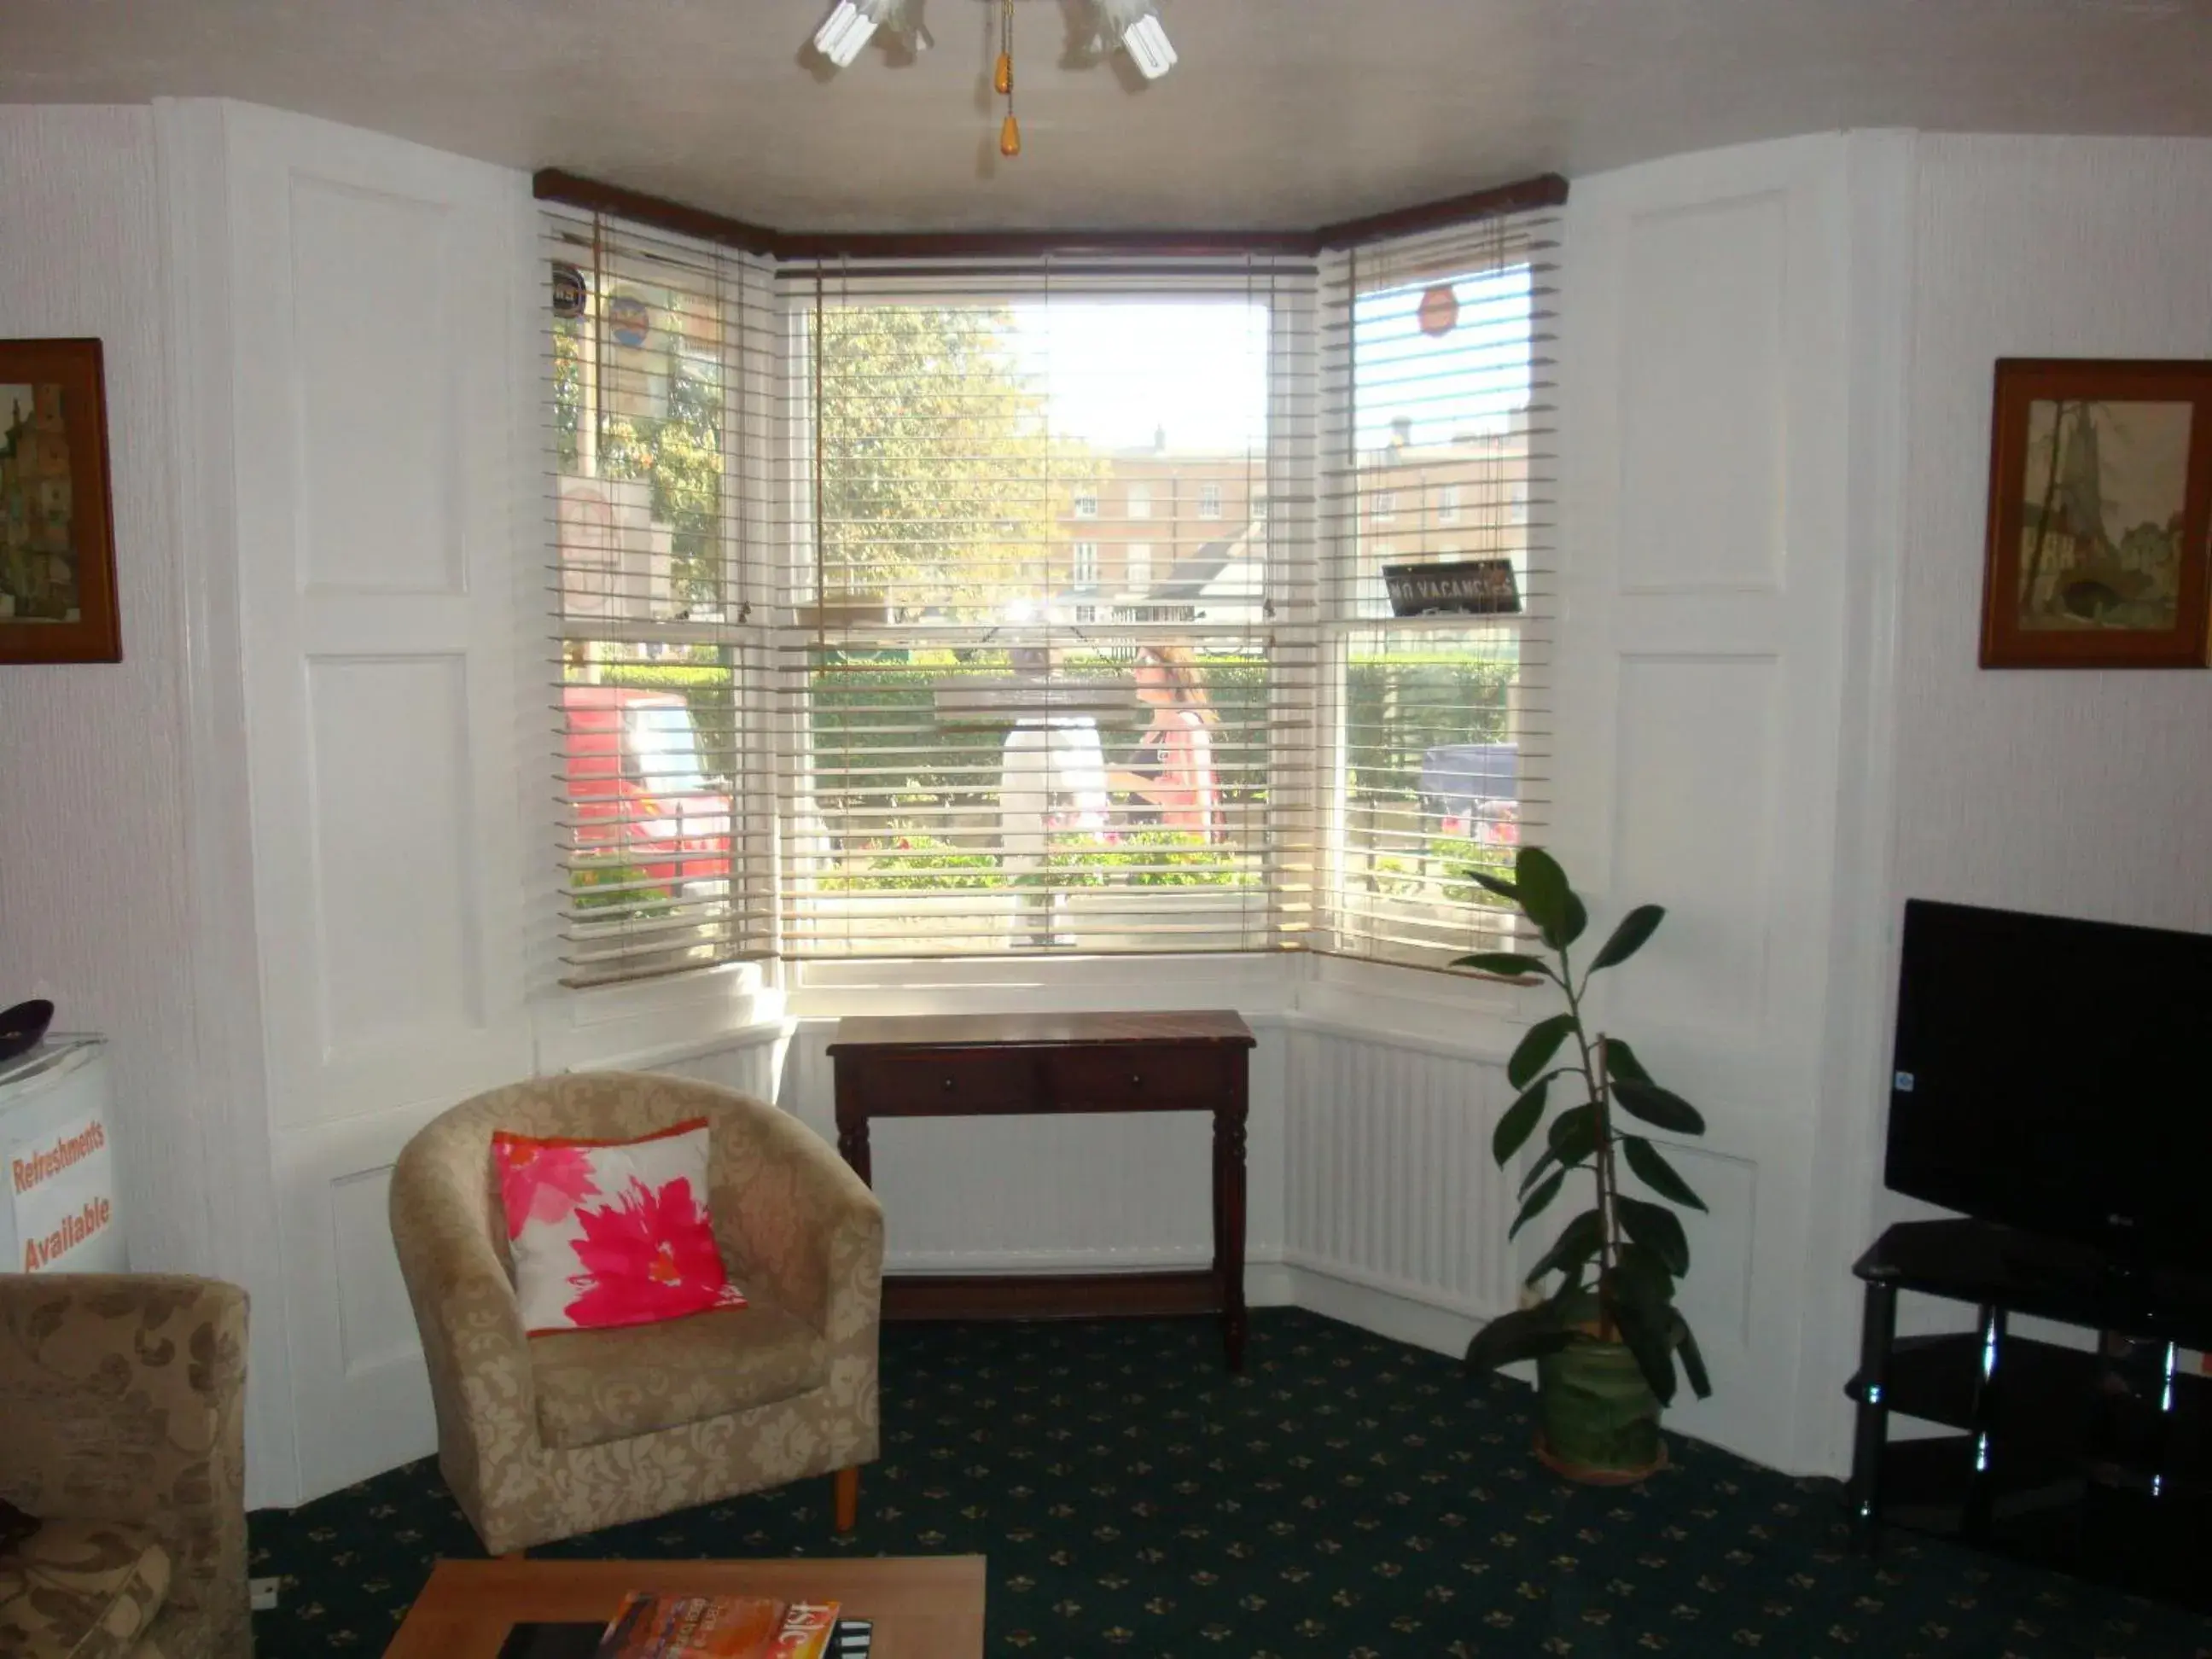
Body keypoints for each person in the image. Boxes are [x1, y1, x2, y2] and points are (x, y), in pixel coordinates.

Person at [1109, 643, 1220, 839]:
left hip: (1173, 861)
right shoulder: (1155, 730)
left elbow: (1188, 802)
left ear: (1172, 670)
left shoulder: (1184, 725)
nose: (1135, 670)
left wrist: (1126, 779)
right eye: (1135, 663)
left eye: (1145, 662)